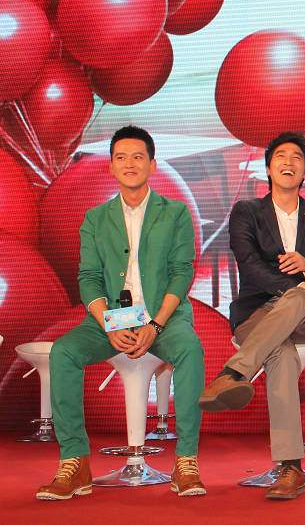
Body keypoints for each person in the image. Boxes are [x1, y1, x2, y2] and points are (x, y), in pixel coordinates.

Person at [38, 126, 206, 500]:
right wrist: (109, 325)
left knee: (190, 350)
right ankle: (75, 462)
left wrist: (156, 324)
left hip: (164, 317)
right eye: (121, 157)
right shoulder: (95, 218)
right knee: (63, 352)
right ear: (111, 166)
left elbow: (182, 272)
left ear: (152, 164)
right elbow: (88, 278)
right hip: (111, 318)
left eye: (138, 157)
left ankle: (186, 461)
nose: (129, 164)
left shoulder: (175, 212)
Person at [199, 132, 305, 500]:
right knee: (281, 354)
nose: (288, 162)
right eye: (281, 155)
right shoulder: (247, 212)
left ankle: (234, 373)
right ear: (267, 168)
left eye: (297, 157)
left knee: (297, 298)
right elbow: (251, 270)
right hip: (256, 314)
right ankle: (291, 467)